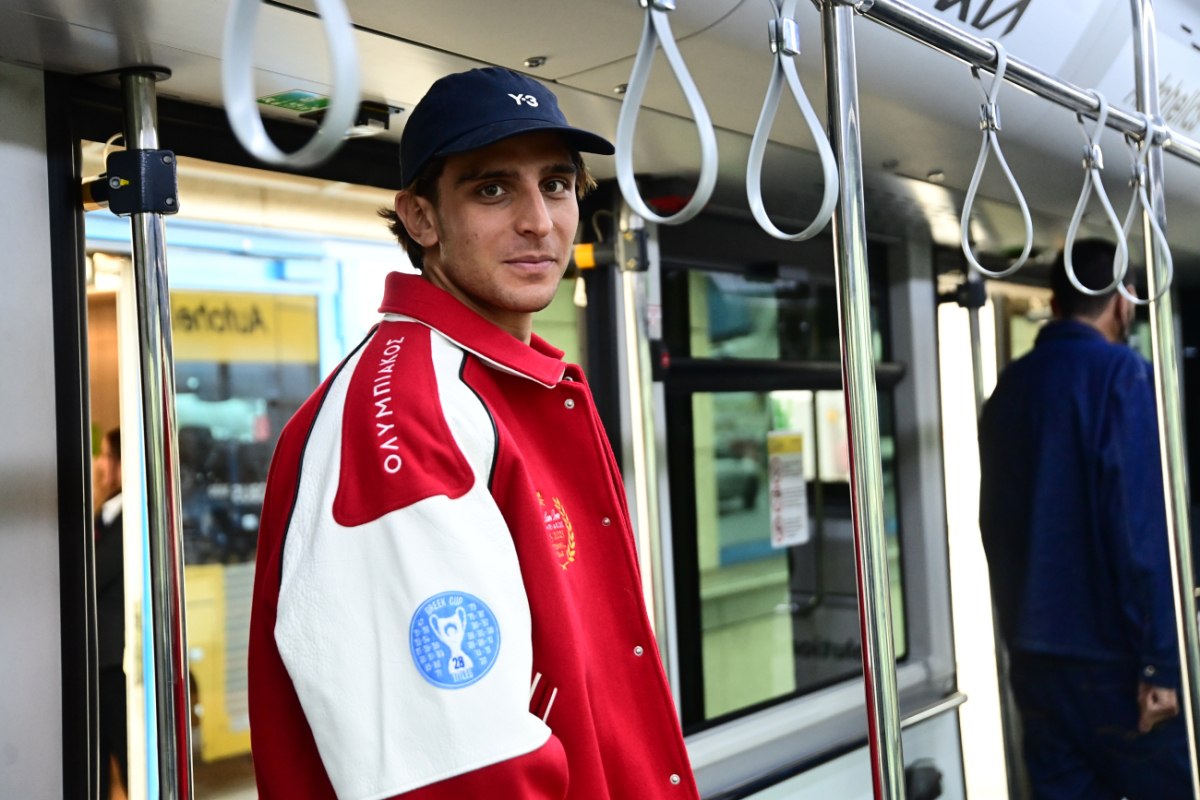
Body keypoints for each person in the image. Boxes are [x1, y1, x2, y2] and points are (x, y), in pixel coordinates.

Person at [248, 67, 699, 799]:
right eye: (493, 190)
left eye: (556, 185)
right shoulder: (407, 411)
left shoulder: (508, 385)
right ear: (420, 218)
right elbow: (459, 772)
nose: (539, 221)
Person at [978, 239, 1191, 799]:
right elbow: (1140, 528)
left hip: (1035, 661)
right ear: (1124, 301)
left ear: (1055, 302)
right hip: (1116, 665)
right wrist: (1160, 665)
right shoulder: (1123, 375)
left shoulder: (1008, 389)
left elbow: (993, 525)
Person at [94, 427, 128, 800]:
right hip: (101, 662)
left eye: (105, 455)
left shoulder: (127, 517)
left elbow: (96, 573)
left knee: (126, 754)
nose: (100, 464)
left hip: (114, 663)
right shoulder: (106, 514)